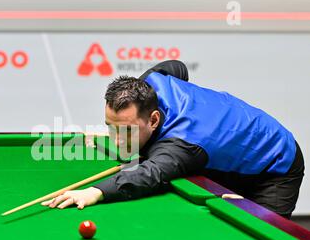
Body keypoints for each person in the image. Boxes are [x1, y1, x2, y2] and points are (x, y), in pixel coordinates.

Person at [42, 60, 305, 219]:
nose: (117, 141)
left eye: (127, 131)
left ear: (154, 120)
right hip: (227, 146)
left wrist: (95, 192)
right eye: (111, 128)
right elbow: (176, 67)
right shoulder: (151, 82)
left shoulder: (181, 145)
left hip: (276, 162)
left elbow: (147, 174)